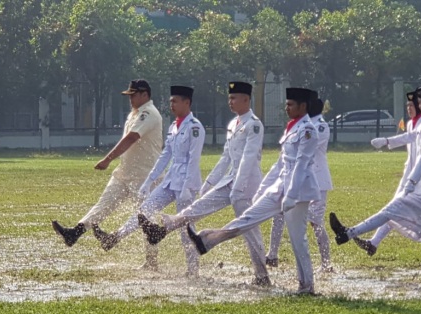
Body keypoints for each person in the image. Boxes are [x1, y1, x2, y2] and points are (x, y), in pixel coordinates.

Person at [185, 87, 320, 294]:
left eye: (291, 104)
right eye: (286, 104)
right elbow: (280, 165)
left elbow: (301, 165)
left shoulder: (308, 130)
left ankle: (306, 285)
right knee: (248, 218)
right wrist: (263, 189)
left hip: (299, 191)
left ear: (303, 106)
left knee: (297, 239)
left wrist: (292, 195)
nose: (286, 108)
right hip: (279, 188)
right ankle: (208, 239)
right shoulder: (292, 128)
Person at [139, 81, 271, 285]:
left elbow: (249, 158)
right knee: (197, 207)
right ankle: (163, 228)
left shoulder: (253, 125)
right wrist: (209, 182)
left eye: (234, 98)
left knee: (249, 232)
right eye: (229, 97)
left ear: (246, 99)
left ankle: (262, 276)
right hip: (230, 180)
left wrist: (238, 187)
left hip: (246, 185)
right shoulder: (233, 124)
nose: (230, 101)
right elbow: (226, 158)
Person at [329, 83, 421, 289]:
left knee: (419, 230)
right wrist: (387, 141)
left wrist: (411, 181)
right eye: (419, 102)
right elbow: (410, 136)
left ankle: (349, 233)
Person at [94, 86, 205, 277]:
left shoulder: (195, 127)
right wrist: (149, 181)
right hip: (171, 180)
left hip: (186, 183)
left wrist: (187, 187)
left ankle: (193, 270)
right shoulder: (174, 127)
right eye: (171, 101)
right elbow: (165, 156)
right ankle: (115, 237)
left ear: (187, 102)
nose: (172, 104)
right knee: (144, 210)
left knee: (186, 229)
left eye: (175, 101)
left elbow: (194, 160)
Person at [51, 79, 162, 247]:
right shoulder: (134, 114)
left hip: (144, 176)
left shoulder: (149, 114)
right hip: (124, 173)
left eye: (133, 95)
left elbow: (131, 138)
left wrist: (108, 159)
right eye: (129, 95)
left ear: (145, 94)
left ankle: (151, 263)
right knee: (103, 205)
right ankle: (74, 233)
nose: (130, 99)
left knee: (146, 219)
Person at [265, 91, 333, 272]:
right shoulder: (301, 125)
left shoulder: (318, 126)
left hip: (317, 180)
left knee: (315, 222)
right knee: (279, 213)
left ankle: (326, 263)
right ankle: (272, 254)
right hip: (297, 178)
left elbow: (305, 151)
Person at [352, 91, 421, 256]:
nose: (409, 108)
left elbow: (408, 138)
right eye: (407, 105)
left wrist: (387, 141)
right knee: (393, 208)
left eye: (412, 105)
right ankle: (373, 243)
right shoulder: (411, 123)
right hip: (409, 174)